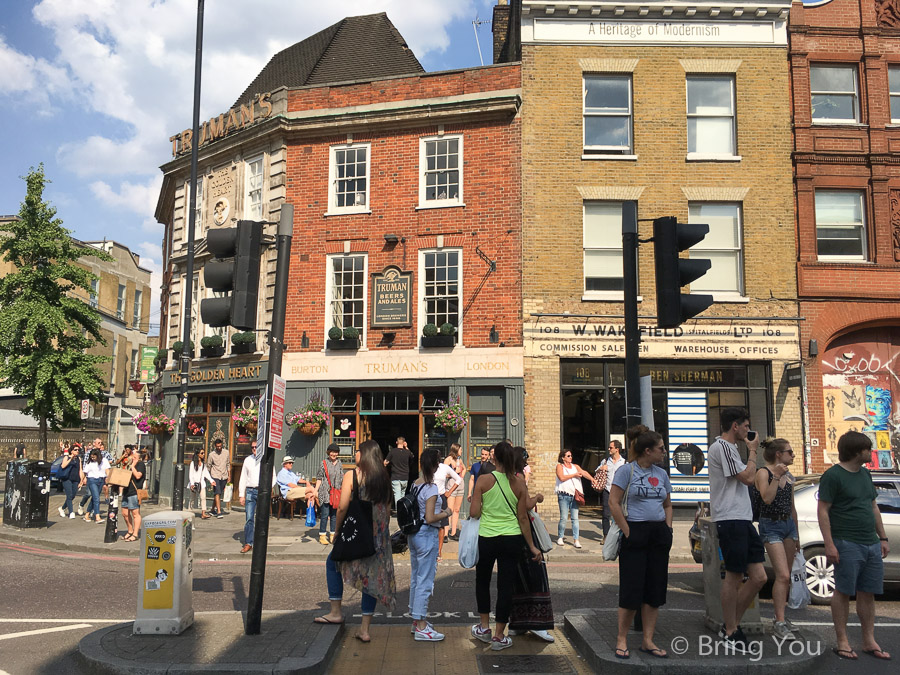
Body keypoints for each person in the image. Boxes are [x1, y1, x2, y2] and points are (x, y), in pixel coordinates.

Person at [818, 431, 891, 661]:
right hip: (846, 542)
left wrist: (883, 537)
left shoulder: (865, 475)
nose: (871, 452)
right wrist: (829, 544)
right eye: (868, 449)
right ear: (857, 451)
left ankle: (869, 641)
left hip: (870, 542)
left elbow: (873, 507)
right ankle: (842, 641)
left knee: (867, 592)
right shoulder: (833, 476)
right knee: (843, 591)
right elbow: (823, 510)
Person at [315, 439, 396, 644]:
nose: (355, 453)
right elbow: (387, 512)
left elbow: (342, 507)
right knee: (370, 579)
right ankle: (365, 629)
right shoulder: (384, 478)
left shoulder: (352, 475)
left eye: (358, 450)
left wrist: (338, 530)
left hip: (357, 532)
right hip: (378, 536)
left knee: (332, 563)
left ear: (365, 454)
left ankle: (335, 612)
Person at [469, 441, 542, 651]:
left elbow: (474, 512)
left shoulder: (483, 480)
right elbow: (522, 518)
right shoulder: (519, 484)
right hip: (512, 538)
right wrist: (532, 546)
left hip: (488, 537)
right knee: (505, 586)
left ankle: (484, 628)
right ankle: (499, 635)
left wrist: (484, 506)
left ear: (494, 458)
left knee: (482, 581)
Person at [608, 430, 673, 660]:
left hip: (658, 533)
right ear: (648, 450)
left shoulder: (662, 474)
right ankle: (622, 639)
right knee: (631, 589)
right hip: (635, 530)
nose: (664, 452)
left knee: (655, 589)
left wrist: (668, 528)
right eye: (661, 448)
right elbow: (613, 502)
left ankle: (648, 640)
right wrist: (628, 531)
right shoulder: (627, 471)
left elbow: (667, 505)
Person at [707, 407, 767, 645]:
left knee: (759, 577)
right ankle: (731, 630)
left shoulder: (730, 449)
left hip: (743, 517)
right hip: (730, 518)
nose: (747, 430)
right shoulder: (721, 447)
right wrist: (752, 451)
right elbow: (748, 478)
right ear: (735, 425)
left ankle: (730, 624)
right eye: (745, 425)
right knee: (734, 575)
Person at [754, 438, 799, 641]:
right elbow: (767, 498)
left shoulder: (788, 474)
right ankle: (779, 622)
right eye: (789, 451)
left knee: (787, 575)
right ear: (778, 454)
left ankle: (781, 616)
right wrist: (776, 477)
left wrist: (796, 533)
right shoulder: (764, 473)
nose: (793, 455)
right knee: (782, 575)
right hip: (770, 525)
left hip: (787, 524)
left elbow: (791, 505)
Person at [408, 448, 453, 641]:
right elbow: (430, 517)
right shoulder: (432, 488)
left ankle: (415, 620)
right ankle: (421, 625)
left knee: (416, 578)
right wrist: (447, 513)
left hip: (414, 535)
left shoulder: (415, 484)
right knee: (425, 581)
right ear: (436, 466)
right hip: (427, 535)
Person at [238, 440, 276, 553]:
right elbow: (243, 478)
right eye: (252, 447)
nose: (254, 449)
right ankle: (248, 542)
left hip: (262, 491)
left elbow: (273, 476)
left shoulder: (266, 459)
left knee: (261, 518)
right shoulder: (247, 460)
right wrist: (241, 495)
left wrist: (268, 488)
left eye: (256, 447)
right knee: (249, 518)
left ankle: (260, 543)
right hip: (250, 491)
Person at [555, 449, 593, 548]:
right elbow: (561, 477)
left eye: (571, 455)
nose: (570, 457)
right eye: (568, 456)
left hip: (574, 496)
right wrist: (574, 475)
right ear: (563, 458)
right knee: (563, 517)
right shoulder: (560, 466)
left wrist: (593, 479)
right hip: (563, 495)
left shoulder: (575, 466)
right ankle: (560, 537)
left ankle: (576, 540)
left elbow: (583, 472)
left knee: (575, 518)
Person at [433, 454, 462, 561]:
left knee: (441, 526)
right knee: (430, 525)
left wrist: (449, 492)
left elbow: (458, 479)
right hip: (430, 497)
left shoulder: (444, 468)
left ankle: (439, 551)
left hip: (441, 497)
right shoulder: (429, 467)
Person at [316, 444, 344, 545]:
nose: (334, 454)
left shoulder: (339, 463)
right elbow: (319, 477)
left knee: (334, 515)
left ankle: (333, 535)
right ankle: (322, 535)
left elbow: (342, 477)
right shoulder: (323, 463)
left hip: (336, 493)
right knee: (324, 514)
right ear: (328, 452)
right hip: (325, 492)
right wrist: (316, 491)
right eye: (332, 452)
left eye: (336, 452)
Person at [599, 440, 625, 540]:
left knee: (618, 514)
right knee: (606, 514)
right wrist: (601, 468)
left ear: (617, 449)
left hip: (619, 492)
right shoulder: (606, 461)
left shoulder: (624, 462)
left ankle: (617, 536)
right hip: (607, 490)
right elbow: (597, 471)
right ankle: (606, 536)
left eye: (611, 447)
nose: (609, 449)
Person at [121, 446, 145, 542]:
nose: (132, 458)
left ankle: (135, 534)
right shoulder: (129, 464)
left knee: (135, 513)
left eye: (135, 457)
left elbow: (138, 476)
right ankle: (130, 530)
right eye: (132, 456)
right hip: (126, 491)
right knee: (125, 513)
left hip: (134, 492)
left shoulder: (140, 465)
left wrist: (133, 467)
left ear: (139, 458)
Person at [80, 448, 110, 523]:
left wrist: (108, 478)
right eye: (91, 457)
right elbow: (85, 472)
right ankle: (97, 516)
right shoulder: (89, 462)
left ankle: (87, 514)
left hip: (101, 480)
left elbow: (107, 470)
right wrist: (81, 481)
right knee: (97, 498)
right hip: (92, 480)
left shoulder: (104, 461)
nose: (92, 458)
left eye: (94, 457)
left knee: (94, 498)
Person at [444, 443, 466, 541]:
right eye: (460, 449)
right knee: (450, 510)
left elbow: (464, 468)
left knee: (457, 510)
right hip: (451, 485)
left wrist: (461, 475)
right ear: (456, 450)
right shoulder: (448, 459)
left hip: (460, 486)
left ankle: (453, 532)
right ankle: (445, 533)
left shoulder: (459, 459)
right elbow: (444, 473)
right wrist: (454, 473)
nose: (461, 451)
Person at [384, 436, 413, 507]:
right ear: (404, 443)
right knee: (402, 495)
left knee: (397, 495)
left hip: (395, 476)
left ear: (396, 442)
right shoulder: (407, 452)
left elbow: (385, 462)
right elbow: (412, 456)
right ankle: (402, 511)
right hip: (405, 477)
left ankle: (399, 512)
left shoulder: (392, 451)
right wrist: (406, 447)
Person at [58, 445, 83, 519]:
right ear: (71, 451)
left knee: (73, 495)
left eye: (78, 450)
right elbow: (63, 466)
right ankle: (71, 512)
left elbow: (80, 470)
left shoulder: (79, 459)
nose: (77, 451)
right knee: (69, 495)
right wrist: (70, 459)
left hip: (75, 479)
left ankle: (62, 508)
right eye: (75, 450)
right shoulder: (67, 457)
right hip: (67, 478)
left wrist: (81, 480)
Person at [207, 438, 230, 518]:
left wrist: (229, 475)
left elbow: (228, 464)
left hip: (224, 475)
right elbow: (208, 466)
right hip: (215, 475)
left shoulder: (226, 453)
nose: (219, 448)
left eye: (220, 446)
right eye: (217, 446)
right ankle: (219, 512)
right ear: (215, 446)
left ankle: (213, 509)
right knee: (217, 492)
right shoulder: (211, 455)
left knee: (219, 493)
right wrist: (209, 478)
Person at [188, 450, 213, 519]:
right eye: (202, 453)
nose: (203, 454)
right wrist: (192, 484)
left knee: (203, 498)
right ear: (198, 454)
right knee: (192, 498)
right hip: (194, 483)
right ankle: (189, 512)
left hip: (201, 483)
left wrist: (211, 480)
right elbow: (191, 474)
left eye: (204, 453)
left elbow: (206, 473)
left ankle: (203, 513)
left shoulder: (203, 464)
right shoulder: (192, 463)